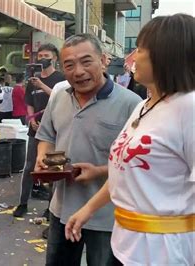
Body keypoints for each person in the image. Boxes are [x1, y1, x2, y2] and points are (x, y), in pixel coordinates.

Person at [65, 14, 194, 265]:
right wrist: (88, 209)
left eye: (141, 48)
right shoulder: (144, 106)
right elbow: (123, 172)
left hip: (163, 253)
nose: (133, 56)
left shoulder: (189, 108)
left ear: (166, 55)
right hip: (124, 244)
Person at [34, 33, 141, 265]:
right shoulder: (58, 97)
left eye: (86, 61)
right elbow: (46, 136)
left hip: (106, 217)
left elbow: (135, 166)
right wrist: (43, 156)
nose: (78, 71)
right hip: (61, 209)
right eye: (69, 65)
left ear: (103, 60)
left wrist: (101, 171)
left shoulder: (132, 105)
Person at [13, 43, 65, 218]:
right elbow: (29, 102)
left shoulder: (61, 79)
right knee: (29, 167)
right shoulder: (32, 80)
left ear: (55, 58)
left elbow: (61, 98)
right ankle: (22, 203)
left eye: (46, 56)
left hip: (56, 131)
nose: (43, 59)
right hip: (35, 130)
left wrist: (42, 85)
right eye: (40, 56)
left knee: (53, 168)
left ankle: (51, 209)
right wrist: (31, 118)